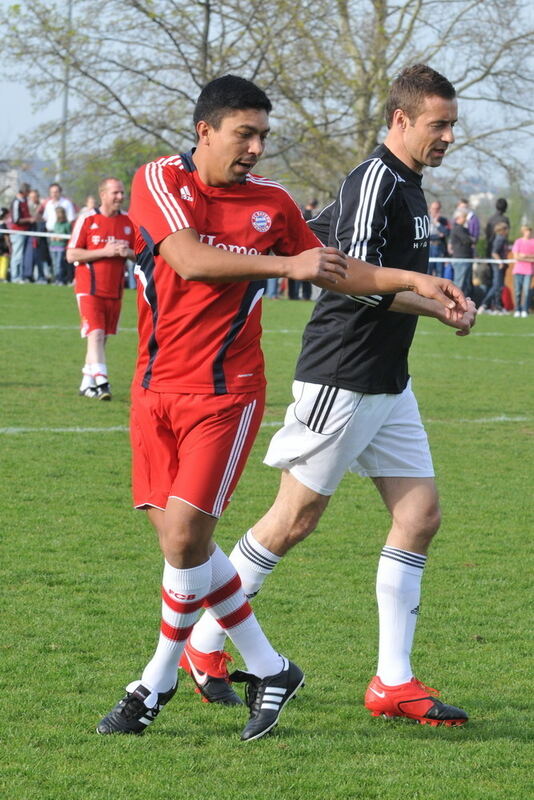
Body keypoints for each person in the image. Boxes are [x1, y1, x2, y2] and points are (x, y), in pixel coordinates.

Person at [95, 73, 468, 742]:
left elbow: (334, 267)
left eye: (264, 136)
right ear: (204, 131)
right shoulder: (159, 180)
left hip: (253, 389)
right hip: (249, 381)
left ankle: (168, 677)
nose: (257, 149)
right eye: (246, 134)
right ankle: (240, 657)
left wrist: (420, 288)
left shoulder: (276, 201)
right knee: (237, 531)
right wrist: (285, 267)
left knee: (415, 516)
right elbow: (190, 260)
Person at [66, 177, 135, 400]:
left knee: (101, 339)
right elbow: (72, 254)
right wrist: (104, 251)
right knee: (95, 334)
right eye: (115, 193)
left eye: (122, 193)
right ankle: (103, 381)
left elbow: (141, 254)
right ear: (103, 194)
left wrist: (128, 253)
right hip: (89, 287)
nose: (120, 197)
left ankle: (87, 384)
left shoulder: (128, 221)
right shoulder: (87, 219)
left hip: (114, 289)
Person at [478, 221, 510, 314]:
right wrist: (500, 262)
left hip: (501, 265)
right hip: (497, 266)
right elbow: (494, 253)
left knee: (499, 286)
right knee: (496, 286)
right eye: (506, 229)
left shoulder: (502, 239)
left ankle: (498, 307)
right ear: (502, 230)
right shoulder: (500, 239)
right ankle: (484, 305)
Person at [8, 183, 33, 283]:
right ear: (24, 192)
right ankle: (15, 277)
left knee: (22, 255)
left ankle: (20, 276)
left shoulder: (25, 201)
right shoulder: (16, 202)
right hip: (17, 232)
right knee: (17, 255)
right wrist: (29, 220)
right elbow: (16, 219)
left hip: (25, 231)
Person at [449, 209, 475, 297]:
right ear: (458, 218)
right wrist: (470, 239)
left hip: (466, 258)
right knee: (459, 283)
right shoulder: (457, 229)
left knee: (465, 284)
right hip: (460, 259)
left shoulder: (464, 229)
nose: (466, 219)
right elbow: (467, 240)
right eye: (464, 217)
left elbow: (469, 240)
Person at [511, 224, 534, 317]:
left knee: (526, 291)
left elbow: (523, 256)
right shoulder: (518, 242)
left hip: (529, 271)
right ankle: (517, 309)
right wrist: (530, 259)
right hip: (518, 270)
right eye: (526, 231)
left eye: (529, 231)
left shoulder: (533, 242)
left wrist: (525, 256)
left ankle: (525, 309)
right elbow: (516, 256)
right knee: (517, 291)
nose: (527, 233)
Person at [50, 206, 71, 285]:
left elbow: (69, 236)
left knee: (59, 264)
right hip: (53, 246)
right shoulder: (56, 223)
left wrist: (62, 238)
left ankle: (60, 279)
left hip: (61, 246)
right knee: (54, 264)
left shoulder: (67, 224)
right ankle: (56, 279)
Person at [428, 200, 448, 277]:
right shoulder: (426, 219)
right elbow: (427, 236)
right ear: (430, 209)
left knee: (439, 271)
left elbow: (446, 233)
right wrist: (438, 236)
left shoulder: (443, 220)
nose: (435, 211)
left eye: (437, 209)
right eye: (434, 208)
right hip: (429, 248)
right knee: (428, 271)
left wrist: (437, 223)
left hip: (439, 248)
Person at [0, 207, 10, 281]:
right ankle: (2, 277)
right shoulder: (3, 225)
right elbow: (6, 237)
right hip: (3, 246)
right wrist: (9, 246)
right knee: (4, 260)